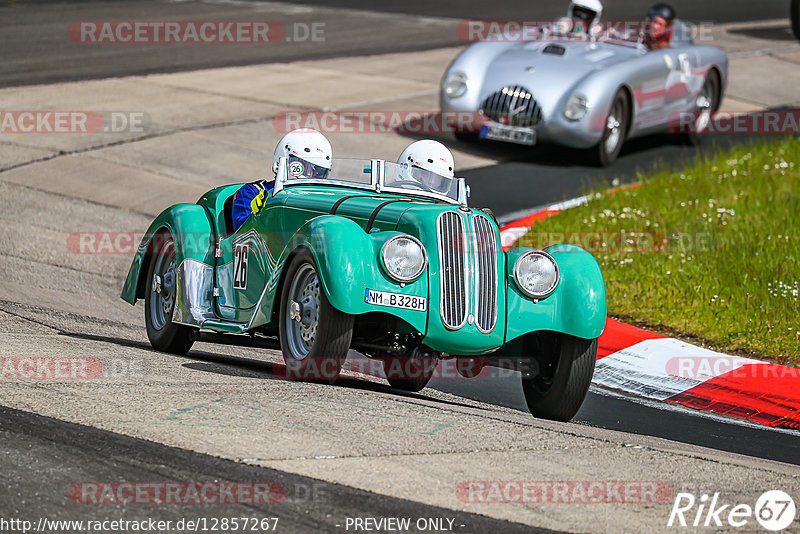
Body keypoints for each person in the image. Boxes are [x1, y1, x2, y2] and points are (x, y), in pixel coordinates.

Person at [231, 128, 332, 231]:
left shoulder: (321, 201)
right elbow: (243, 234)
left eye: (318, 172)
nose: (310, 175)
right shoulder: (253, 192)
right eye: (305, 167)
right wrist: (262, 215)